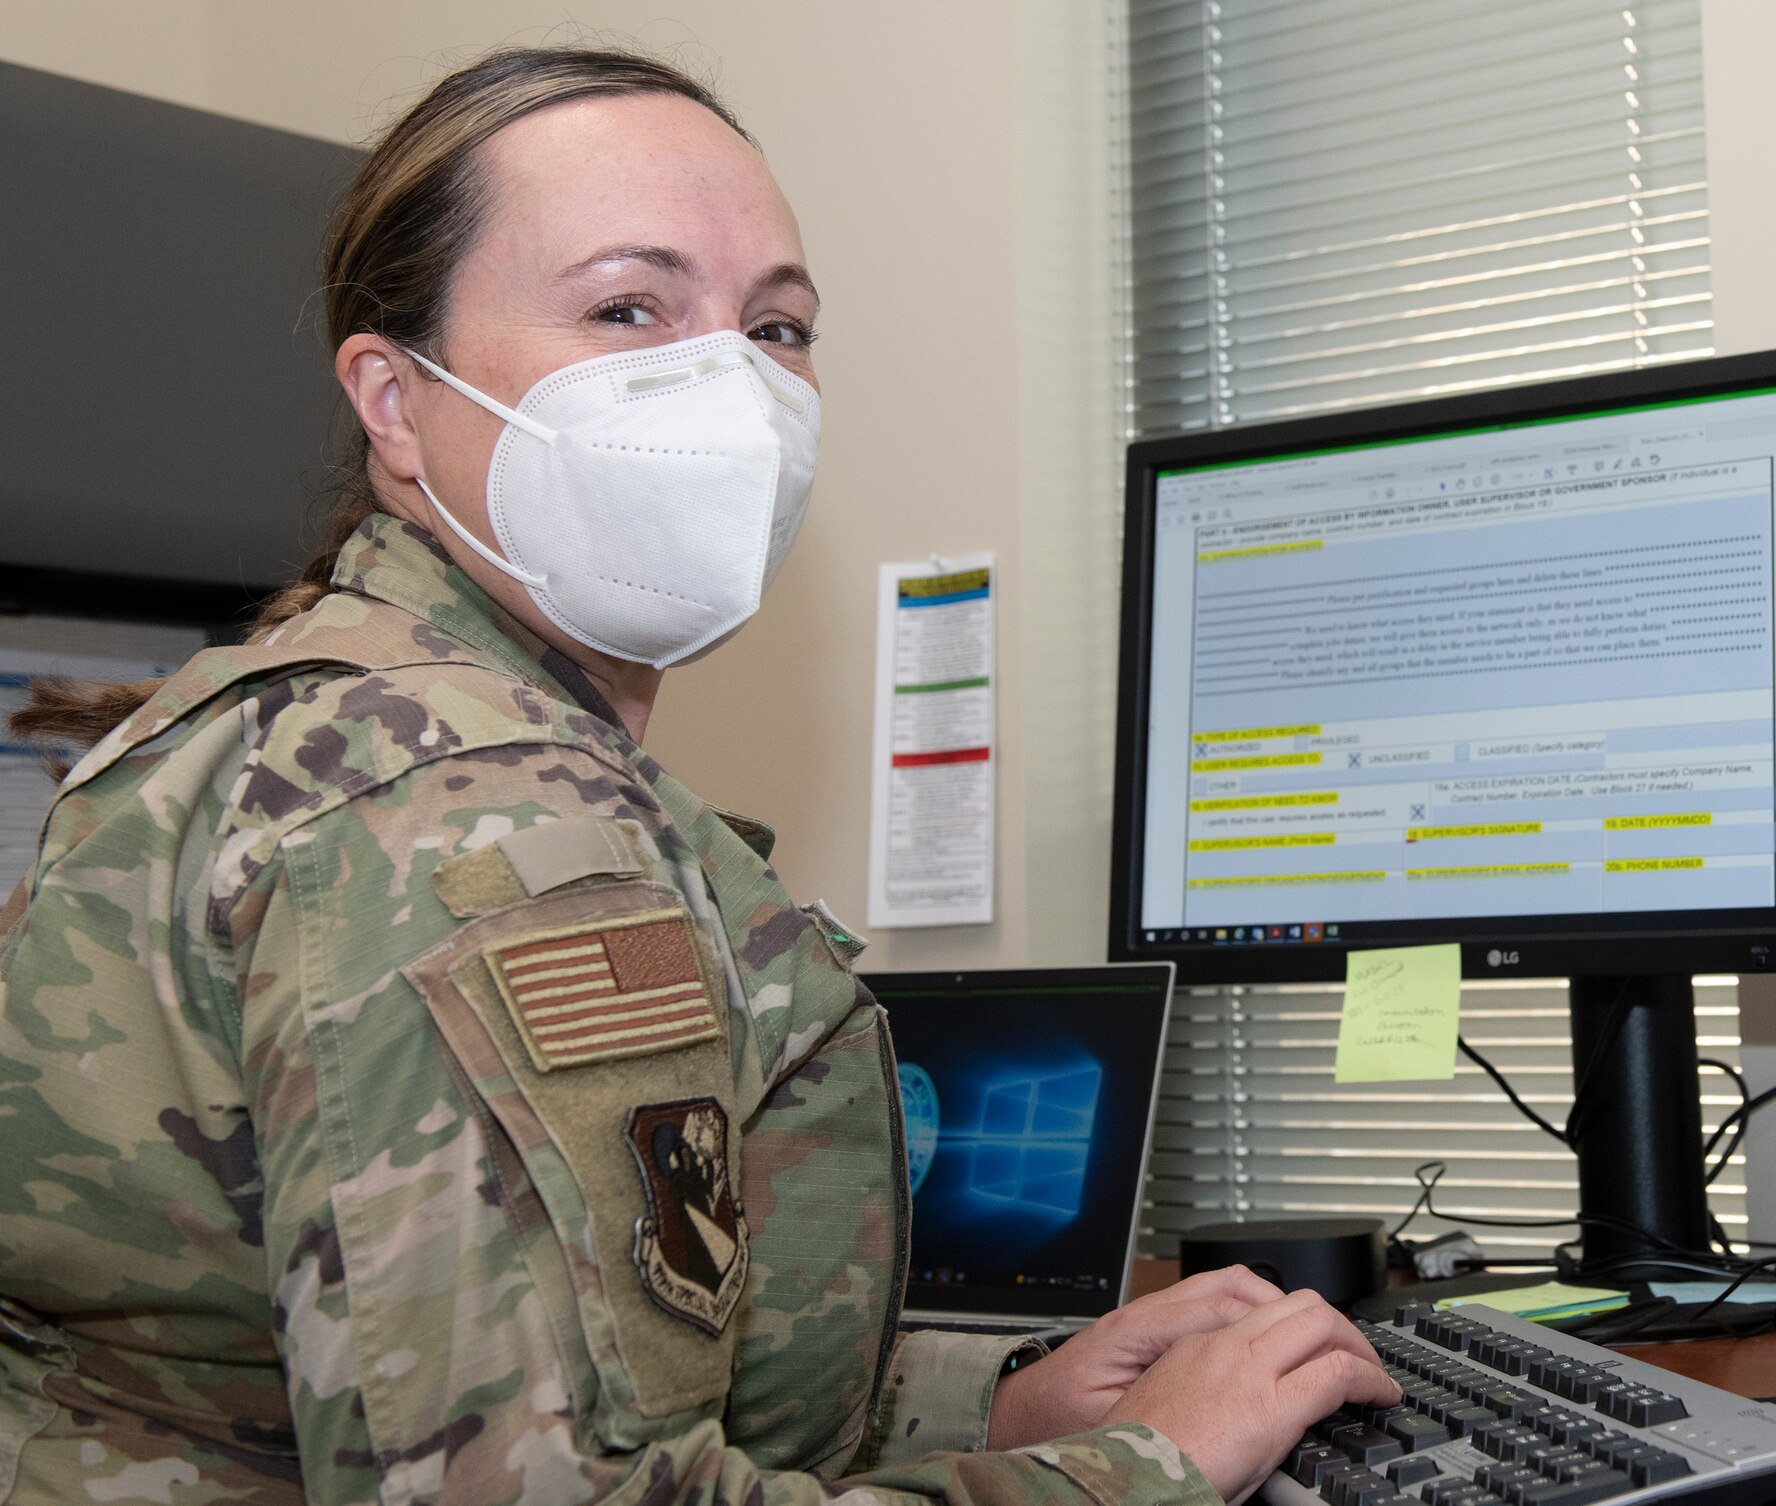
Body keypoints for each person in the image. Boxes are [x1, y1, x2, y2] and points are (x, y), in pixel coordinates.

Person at [0, 46, 1397, 1506]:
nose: (730, 383)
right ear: (396, 401)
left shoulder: (340, 711)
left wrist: (1002, 1395)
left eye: (777, 326)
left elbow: (587, 1370)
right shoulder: (469, 808)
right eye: (628, 308)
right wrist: (1147, 1466)